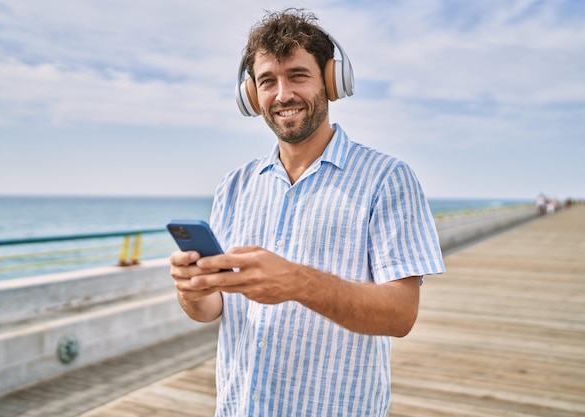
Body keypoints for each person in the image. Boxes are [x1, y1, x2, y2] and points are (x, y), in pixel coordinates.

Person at [170, 8, 445, 416]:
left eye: (298, 76)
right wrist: (192, 292)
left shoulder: (387, 179)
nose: (283, 95)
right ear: (251, 96)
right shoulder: (234, 185)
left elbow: (401, 315)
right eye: (268, 81)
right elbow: (213, 311)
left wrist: (297, 282)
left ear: (332, 83)